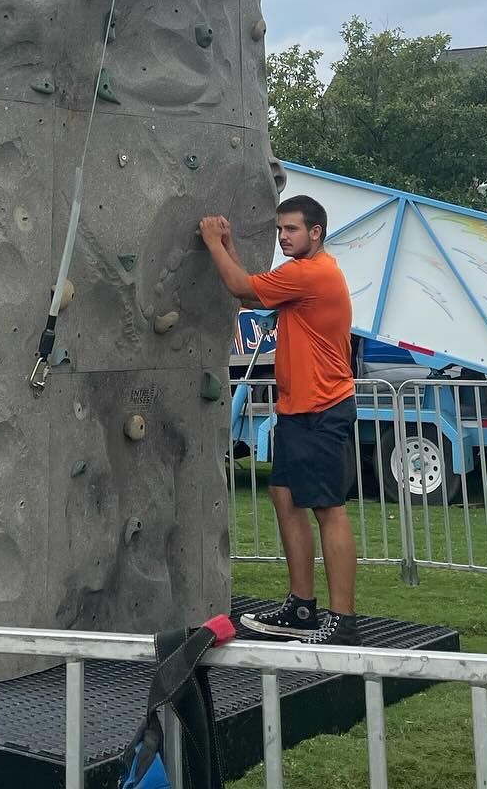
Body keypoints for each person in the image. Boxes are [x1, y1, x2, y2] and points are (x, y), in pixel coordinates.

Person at [200, 195, 357, 646]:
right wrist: (229, 245)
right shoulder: (299, 276)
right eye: (280, 230)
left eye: (290, 229)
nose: (283, 237)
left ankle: (342, 621)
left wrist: (214, 242)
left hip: (322, 408)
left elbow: (240, 289)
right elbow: (253, 287)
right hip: (297, 409)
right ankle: (302, 606)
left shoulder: (312, 273)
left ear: (316, 233)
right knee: (284, 497)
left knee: (328, 508)